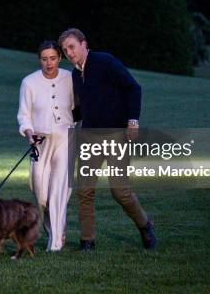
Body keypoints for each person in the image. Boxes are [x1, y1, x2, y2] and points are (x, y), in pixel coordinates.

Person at [58, 28, 156, 251]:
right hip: (89, 137)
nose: (69, 53)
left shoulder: (105, 62)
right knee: (85, 190)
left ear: (84, 44)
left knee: (120, 191)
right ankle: (87, 241)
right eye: (65, 50)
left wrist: (133, 120)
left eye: (72, 47)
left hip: (116, 135)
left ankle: (145, 224)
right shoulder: (75, 75)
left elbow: (133, 88)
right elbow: (82, 110)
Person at [17, 40, 74, 251]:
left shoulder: (70, 78)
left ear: (59, 58)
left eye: (53, 58)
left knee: (59, 190)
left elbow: (79, 107)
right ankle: (56, 229)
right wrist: (28, 132)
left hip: (66, 138)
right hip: (40, 142)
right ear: (39, 59)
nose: (49, 63)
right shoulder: (29, 82)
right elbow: (24, 114)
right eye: (44, 59)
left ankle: (56, 242)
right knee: (41, 195)